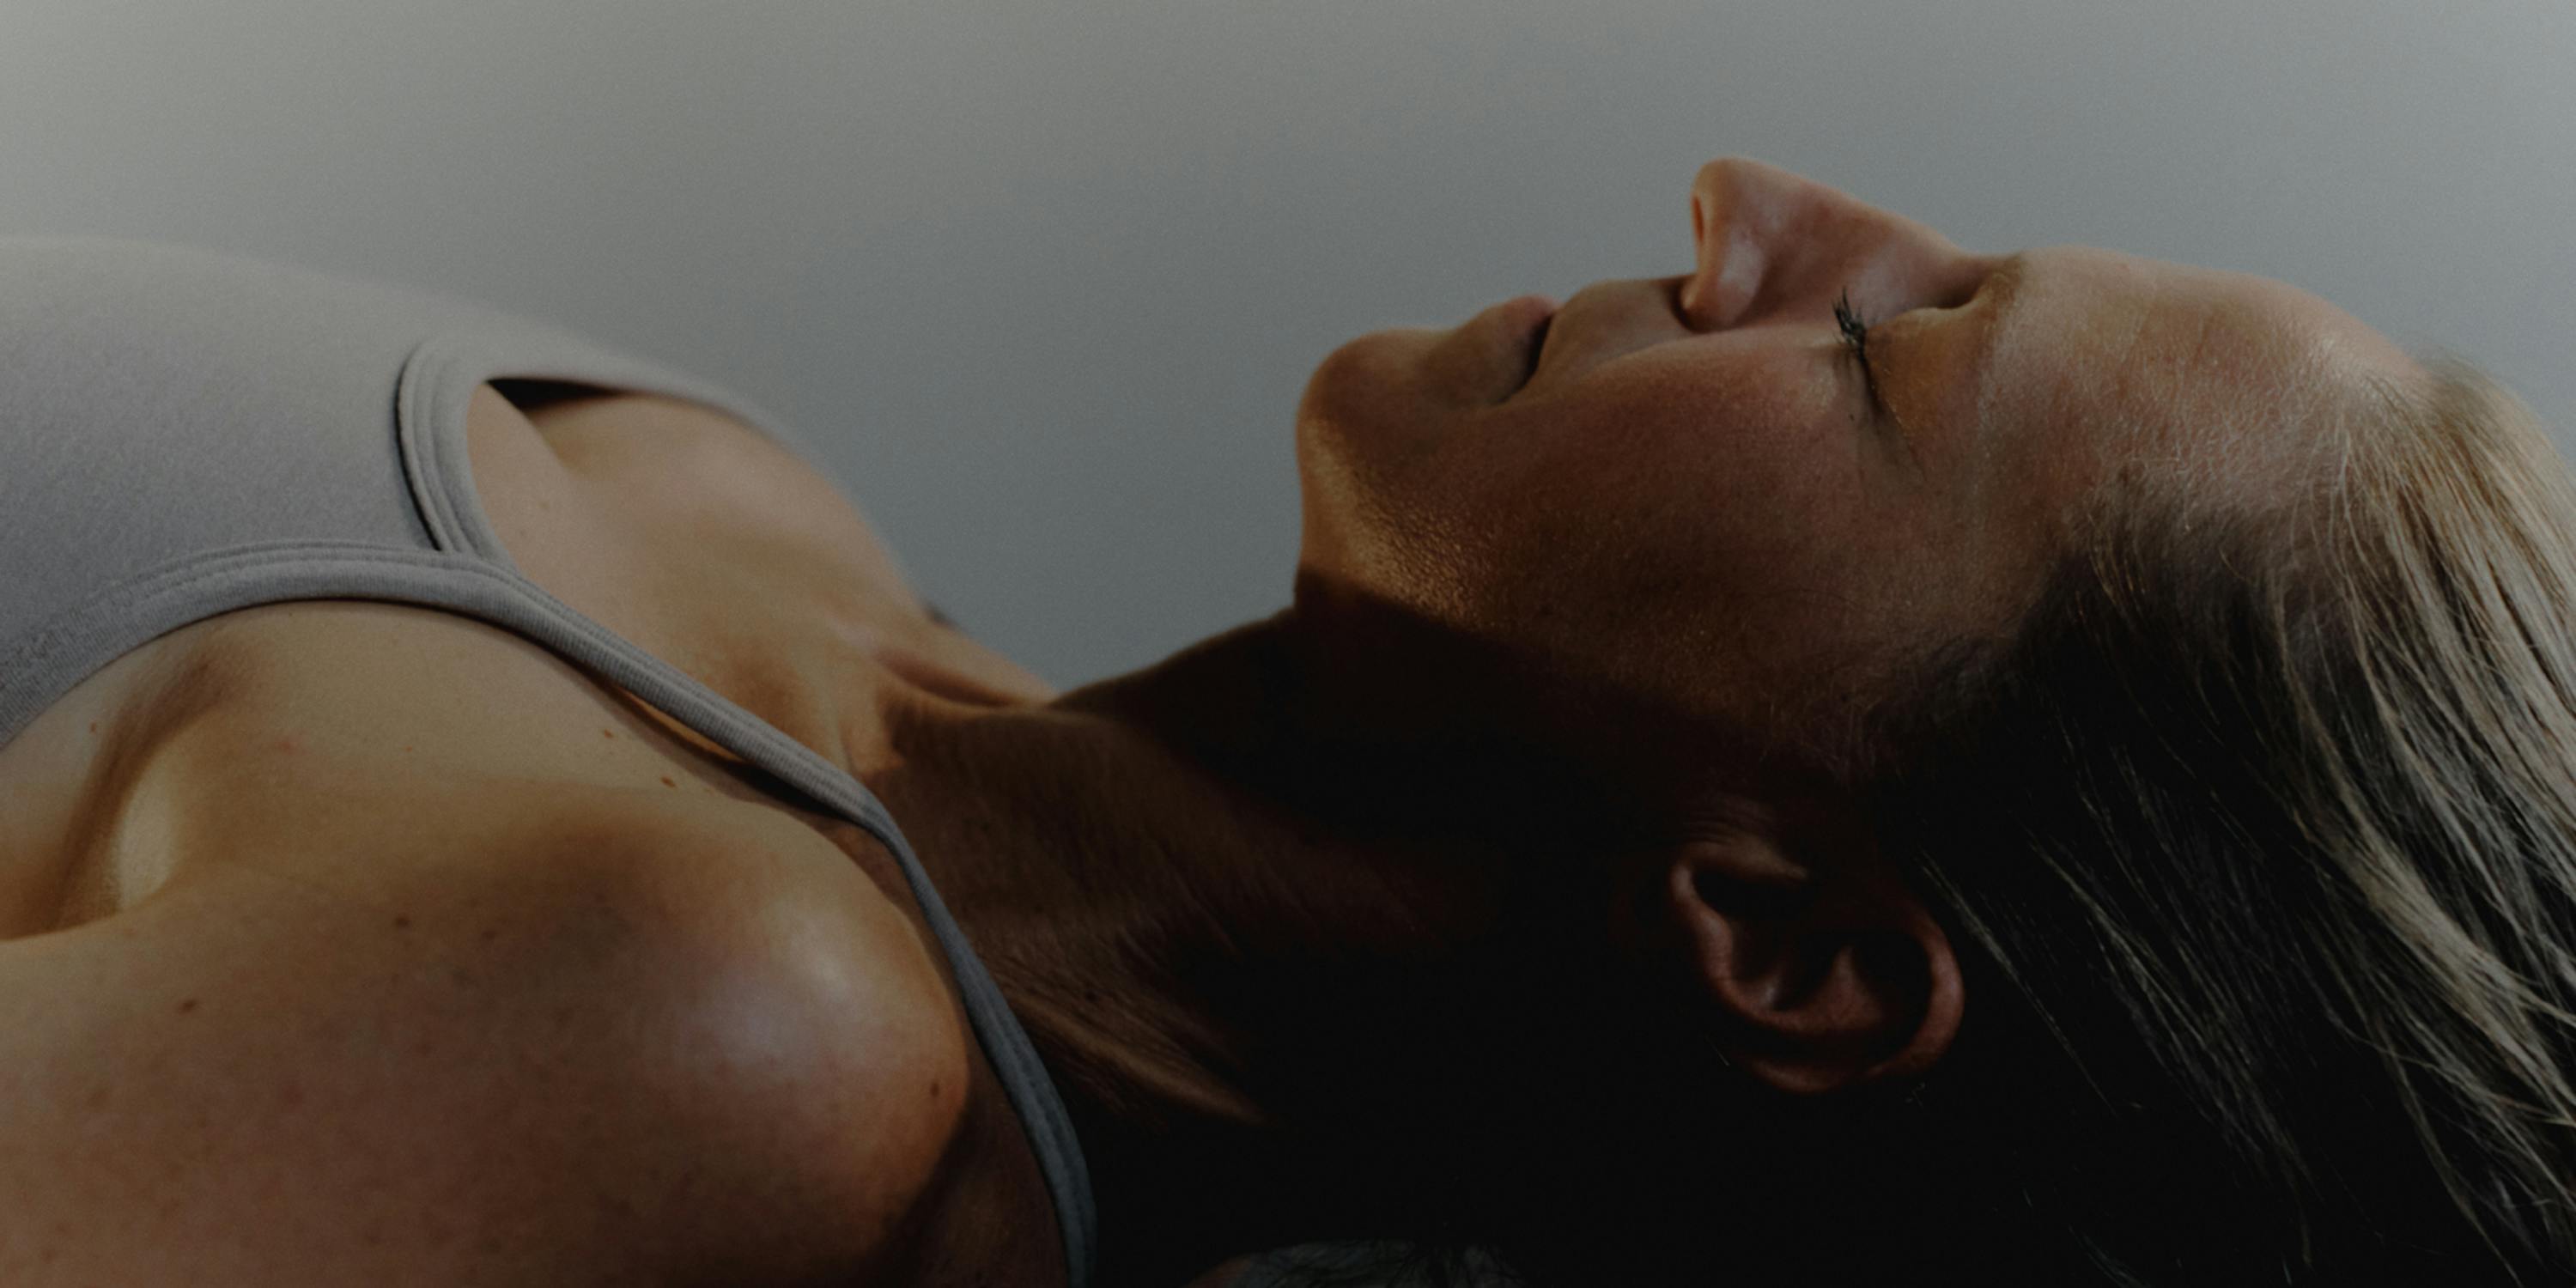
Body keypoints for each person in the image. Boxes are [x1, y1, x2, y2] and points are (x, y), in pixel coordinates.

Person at [0, 154, 2567, 1287]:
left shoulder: (733, 1030)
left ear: (1779, 929)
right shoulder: (852, 630)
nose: (1751, 208)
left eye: (1893, 350)